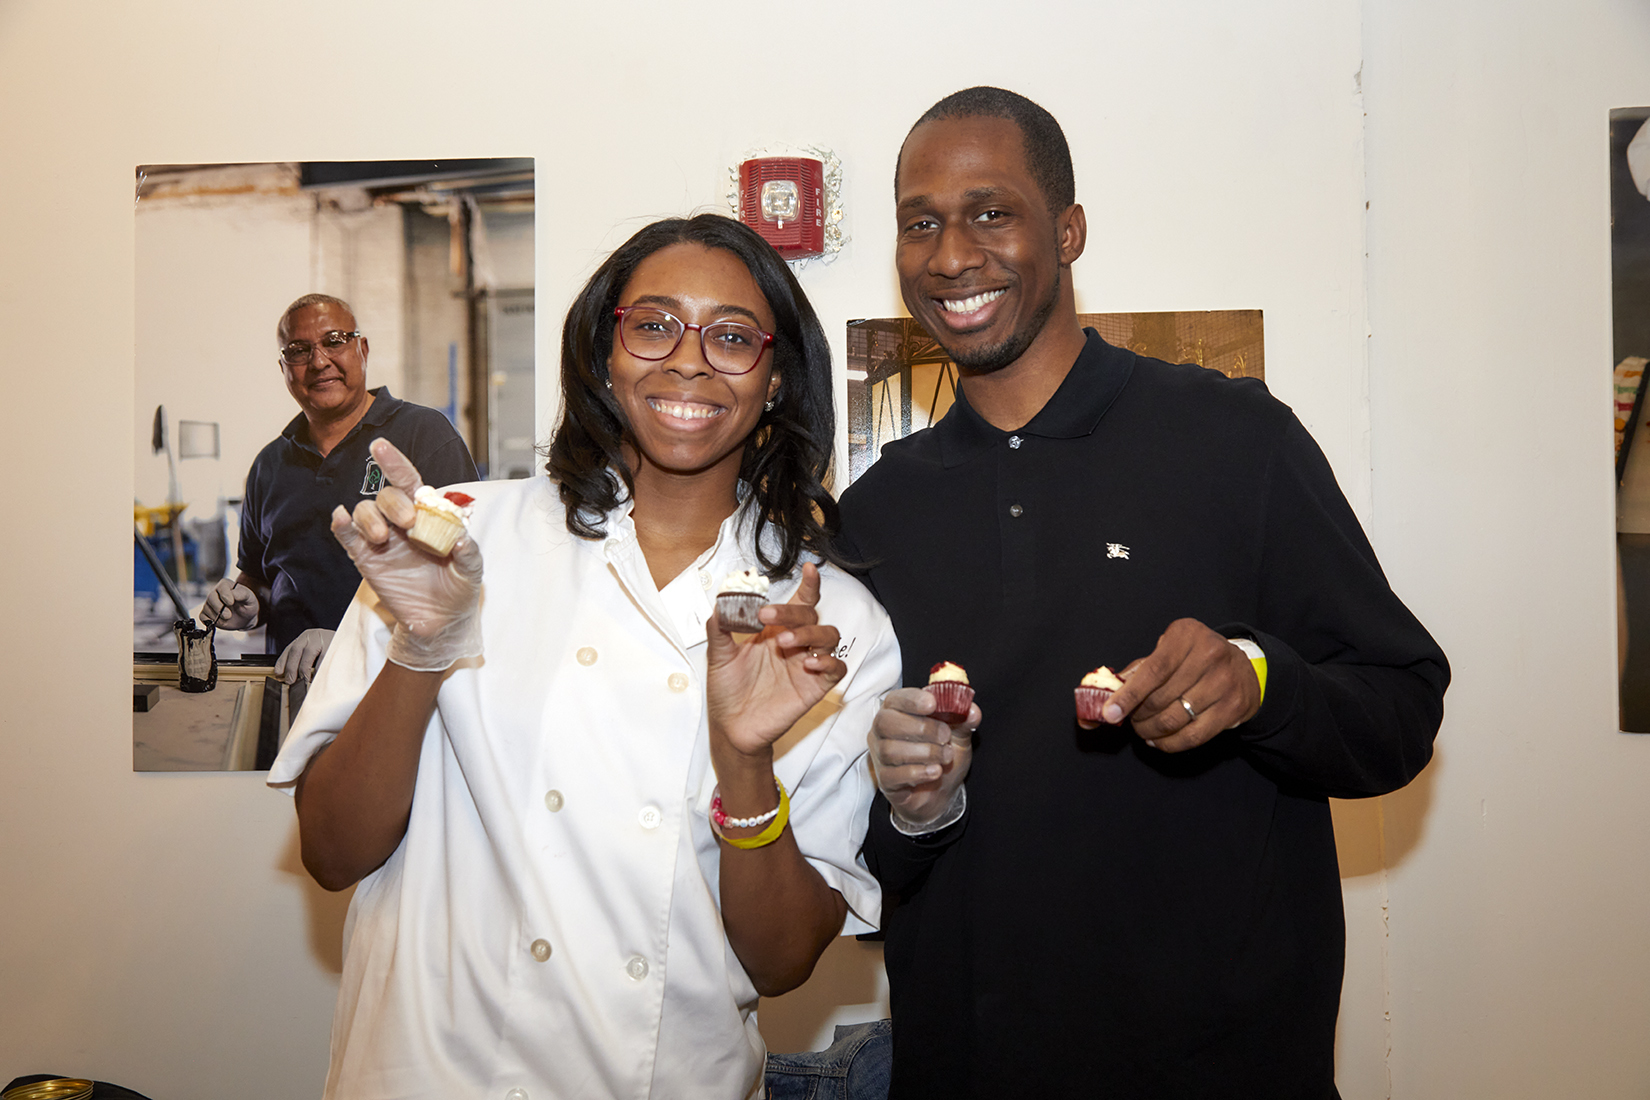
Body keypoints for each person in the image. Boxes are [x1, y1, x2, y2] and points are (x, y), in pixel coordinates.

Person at [840, 87, 1450, 1098]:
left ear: (1068, 229)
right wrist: (910, 805)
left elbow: (1400, 708)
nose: (950, 253)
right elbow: (863, 863)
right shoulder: (876, 513)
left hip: (1228, 1067)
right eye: (920, 222)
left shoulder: (1235, 440)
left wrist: (1257, 680)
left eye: (991, 212)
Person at [266, 215, 900, 1100]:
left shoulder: (832, 622)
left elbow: (784, 960)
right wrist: (423, 649)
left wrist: (746, 764)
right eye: (653, 325)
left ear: (778, 377)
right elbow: (332, 851)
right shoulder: (451, 538)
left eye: (730, 338)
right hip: (424, 1073)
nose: (687, 360)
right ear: (604, 351)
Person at [200, 293, 477, 684]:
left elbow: (462, 578)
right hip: (292, 684)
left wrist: (355, 639)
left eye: (334, 341)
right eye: (298, 350)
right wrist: (249, 606)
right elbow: (259, 576)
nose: (318, 361)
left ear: (361, 349)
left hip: (396, 681)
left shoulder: (424, 436)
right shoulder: (269, 465)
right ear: (284, 368)